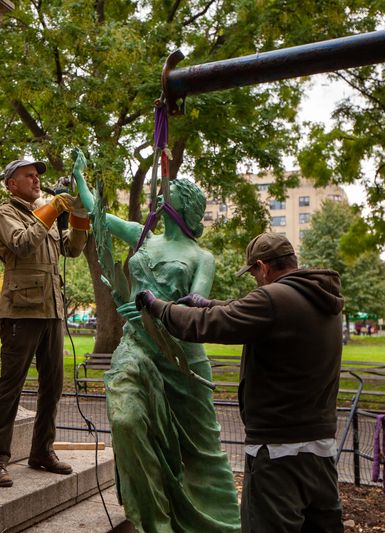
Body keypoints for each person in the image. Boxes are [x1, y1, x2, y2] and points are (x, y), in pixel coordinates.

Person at [136, 232, 345, 532]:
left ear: (262, 267)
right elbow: (249, 312)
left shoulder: (272, 298)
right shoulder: (322, 299)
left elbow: (207, 326)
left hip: (276, 453)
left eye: (254, 274)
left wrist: (158, 307)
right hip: (320, 447)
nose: (256, 281)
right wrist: (207, 303)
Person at [74, 162, 241, 532]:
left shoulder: (202, 257)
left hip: (180, 359)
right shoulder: (142, 238)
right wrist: (81, 179)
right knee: (126, 419)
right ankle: (155, 521)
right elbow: (100, 216)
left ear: (183, 208)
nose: (160, 196)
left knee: (200, 453)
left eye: (169, 194)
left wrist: (155, 309)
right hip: (136, 349)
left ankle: (213, 522)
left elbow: (197, 308)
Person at [0, 157, 89, 487]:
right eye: (28, 176)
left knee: (53, 386)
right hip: (20, 311)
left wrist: (79, 214)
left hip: (52, 310)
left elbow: (71, 249)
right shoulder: (6, 214)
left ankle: (42, 451)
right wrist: (52, 209)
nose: (36, 180)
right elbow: (22, 243)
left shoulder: (42, 213)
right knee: (10, 387)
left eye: (36, 176)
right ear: (11, 184)